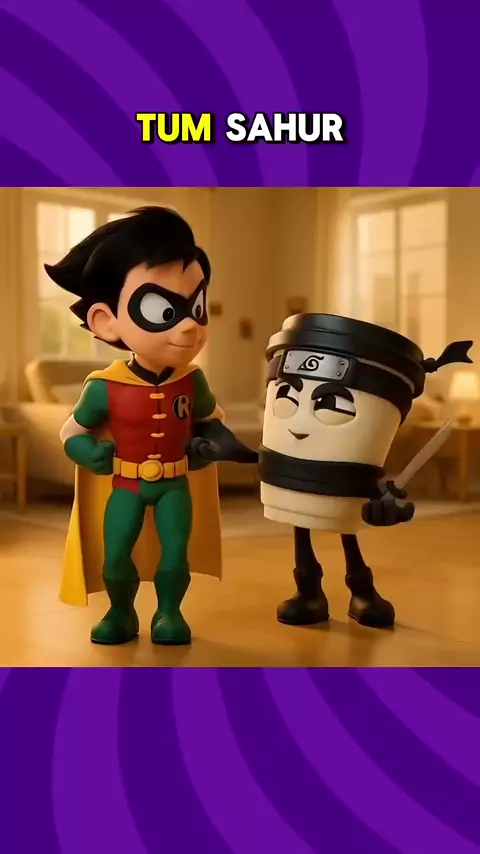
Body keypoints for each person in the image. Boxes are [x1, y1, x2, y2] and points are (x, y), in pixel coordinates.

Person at [46, 206, 256, 646]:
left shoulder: (192, 381)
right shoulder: (103, 387)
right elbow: (72, 434)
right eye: (162, 310)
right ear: (106, 321)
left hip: (175, 485)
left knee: (175, 551)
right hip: (125, 484)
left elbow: (210, 422)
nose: (190, 326)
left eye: (196, 307)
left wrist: (214, 446)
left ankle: (169, 612)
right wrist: (91, 454)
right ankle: (120, 611)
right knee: (115, 552)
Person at [259, 312, 473, 629]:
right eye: (286, 397)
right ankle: (309, 589)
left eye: (332, 405)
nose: (301, 424)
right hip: (291, 475)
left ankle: (360, 589)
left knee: (346, 517)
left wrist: (386, 506)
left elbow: (374, 486)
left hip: (351, 482)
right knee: (301, 519)